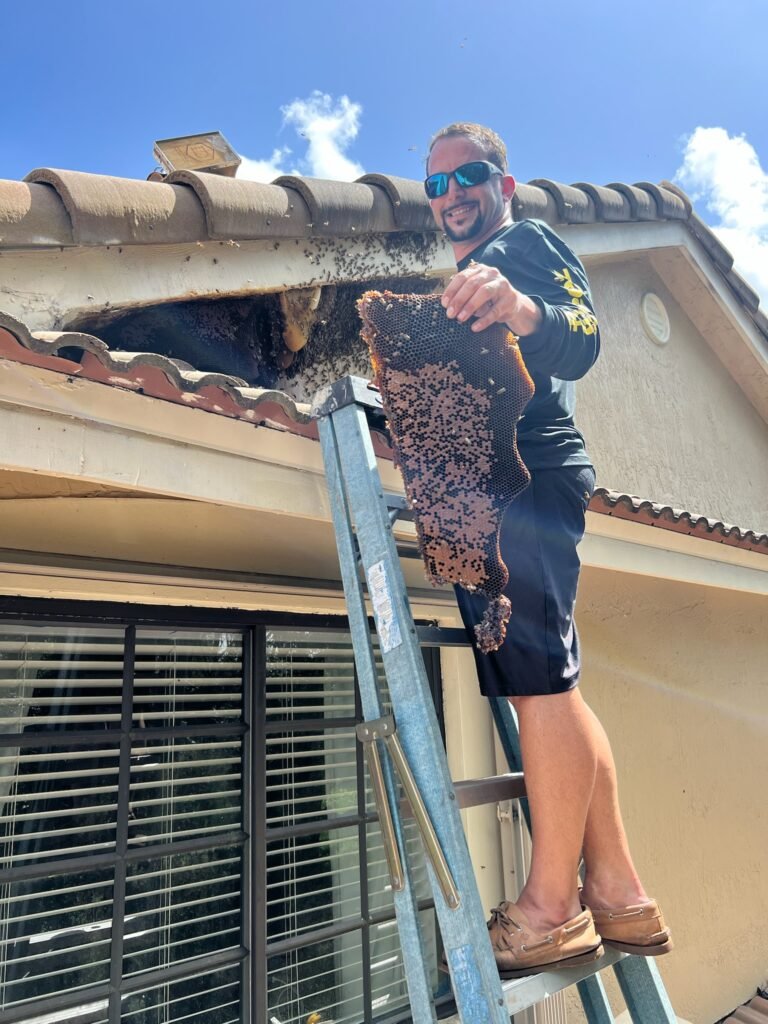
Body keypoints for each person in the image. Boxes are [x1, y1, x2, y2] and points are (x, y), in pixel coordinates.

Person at [424, 123, 672, 977]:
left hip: (521, 478)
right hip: (502, 482)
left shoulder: (520, 243)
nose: (452, 194)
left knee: (539, 686)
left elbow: (582, 332)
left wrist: (520, 305)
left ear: (506, 182)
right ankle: (619, 891)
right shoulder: (465, 278)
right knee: (555, 683)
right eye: (436, 185)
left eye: (469, 175)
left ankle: (548, 907)